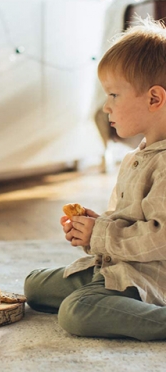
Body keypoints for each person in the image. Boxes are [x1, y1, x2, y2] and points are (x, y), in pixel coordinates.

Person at [24, 18, 166, 340]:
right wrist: (95, 227)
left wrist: (101, 234)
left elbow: (160, 237)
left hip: (151, 278)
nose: (106, 107)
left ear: (154, 99)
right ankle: (108, 297)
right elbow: (131, 220)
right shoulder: (139, 156)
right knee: (34, 285)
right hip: (121, 267)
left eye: (114, 95)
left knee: (77, 312)